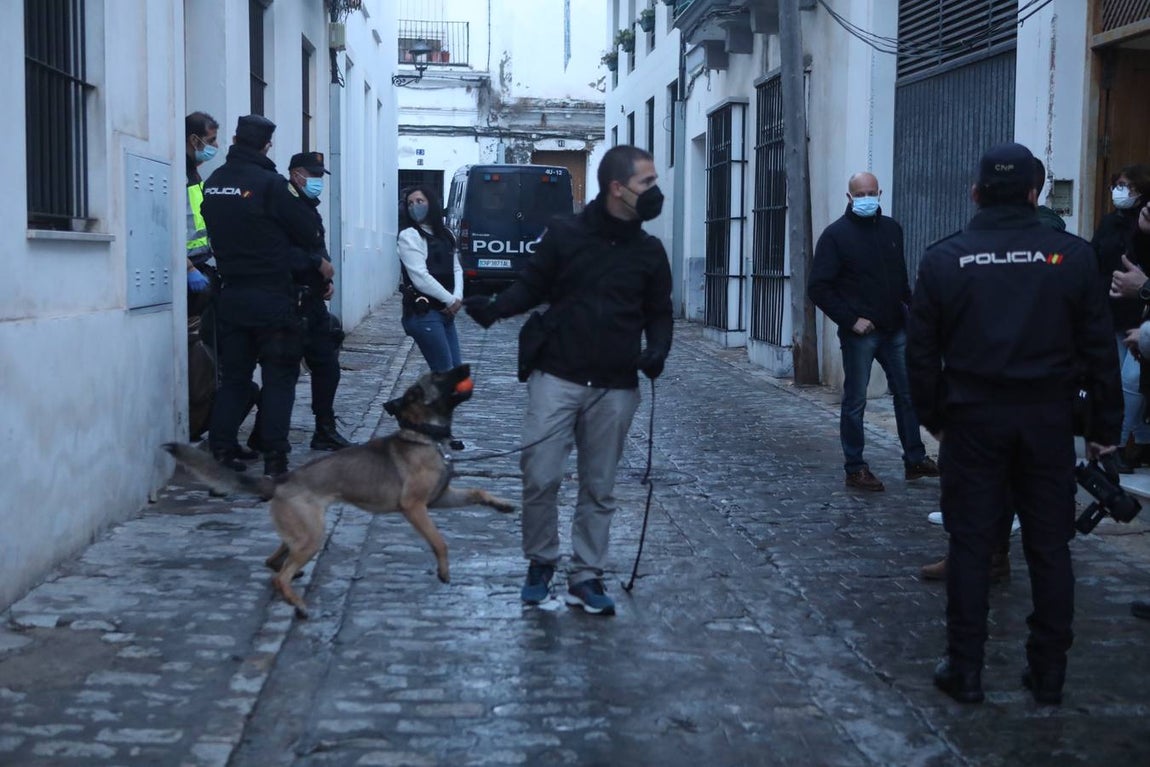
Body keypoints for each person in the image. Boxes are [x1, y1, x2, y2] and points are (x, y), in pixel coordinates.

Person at [907, 142, 1121, 706]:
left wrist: (935, 420)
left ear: (975, 193)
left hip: (973, 419)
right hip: (1047, 420)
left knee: (972, 544)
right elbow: (1100, 351)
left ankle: (966, 667)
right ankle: (1048, 672)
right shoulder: (1072, 257)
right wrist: (1103, 428)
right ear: (1034, 193)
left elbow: (921, 356)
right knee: (1050, 547)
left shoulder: (943, 258)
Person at [464, 145, 673, 616]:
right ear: (618, 189)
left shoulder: (650, 251)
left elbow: (660, 311)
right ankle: (540, 561)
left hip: (617, 387)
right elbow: (531, 286)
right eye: (647, 183)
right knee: (540, 476)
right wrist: (494, 310)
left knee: (599, 487)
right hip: (557, 376)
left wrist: (658, 349)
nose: (655, 191)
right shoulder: (565, 234)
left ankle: (587, 574)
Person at [918, 157, 1068, 582]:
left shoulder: (1052, 244)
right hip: (995, 392)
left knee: (993, 483)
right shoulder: (965, 249)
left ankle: (988, 556)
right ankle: (982, 554)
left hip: (1011, 390)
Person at [200, 115, 334, 477]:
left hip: (231, 295)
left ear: (234, 139)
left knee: (235, 380)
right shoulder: (271, 185)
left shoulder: (213, 183)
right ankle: (275, 458)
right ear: (267, 145)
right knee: (279, 377)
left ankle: (221, 450)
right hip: (273, 298)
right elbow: (306, 230)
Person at [807, 172, 939, 491]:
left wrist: (912, 314)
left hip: (895, 329)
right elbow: (819, 287)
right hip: (860, 334)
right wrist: (851, 320)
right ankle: (855, 467)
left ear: (880, 193)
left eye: (871, 192)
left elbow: (901, 278)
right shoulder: (835, 236)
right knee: (855, 401)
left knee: (908, 395)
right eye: (859, 193)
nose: (866, 197)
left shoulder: (892, 228)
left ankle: (915, 460)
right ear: (849, 197)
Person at [1095, 165, 1150, 472]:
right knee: (1124, 379)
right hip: (1113, 310)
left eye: (1127, 186)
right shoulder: (1109, 223)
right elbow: (1094, 258)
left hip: (1140, 313)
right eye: (1117, 185)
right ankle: (1141, 442)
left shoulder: (1141, 227)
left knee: (1132, 379)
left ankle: (1116, 444)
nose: (1119, 191)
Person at [397, 186, 464, 373]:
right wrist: (450, 300)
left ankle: (414, 403)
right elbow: (420, 277)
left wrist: (457, 297)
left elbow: (456, 267)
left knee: (454, 373)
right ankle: (410, 404)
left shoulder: (446, 234)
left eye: (419, 201)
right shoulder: (409, 236)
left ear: (432, 203)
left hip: (446, 313)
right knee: (445, 373)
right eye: (410, 203)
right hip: (425, 314)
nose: (414, 206)